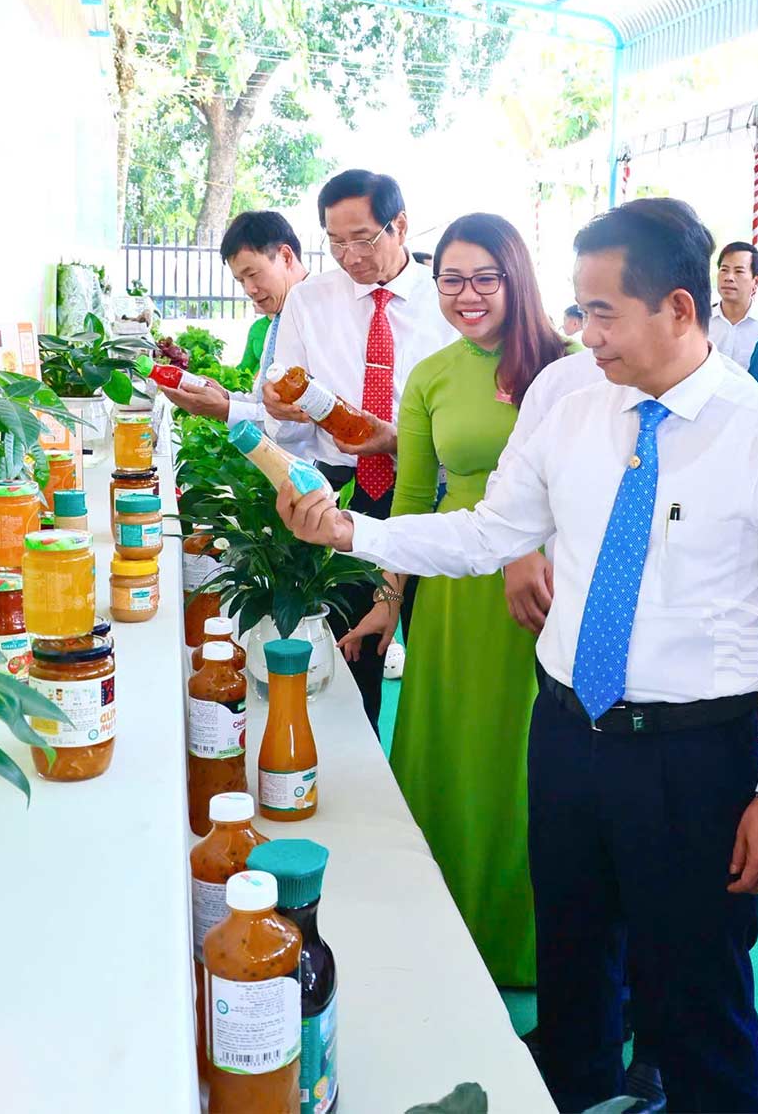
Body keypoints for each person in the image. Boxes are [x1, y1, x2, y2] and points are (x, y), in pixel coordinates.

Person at [277, 197, 758, 1112]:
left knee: (696, 995)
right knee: (575, 971)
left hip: (692, 756)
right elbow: (489, 530)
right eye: (580, 307)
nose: (587, 333)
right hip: (568, 732)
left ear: (681, 310)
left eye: (606, 312)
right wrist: (352, 532)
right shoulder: (570, 400)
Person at [336, 213, 569, 990]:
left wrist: (529, 546)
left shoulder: (568, 370)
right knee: (446, 758)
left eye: (484, 278)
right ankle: (443, 931)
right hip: (452, 596)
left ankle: (529, 945)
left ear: (516, 277)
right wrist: (385, 602)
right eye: (450, 280)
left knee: (520, 766)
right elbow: (407, 500)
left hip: (541, 594)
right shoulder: (430, 376)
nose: (466, 295)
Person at [265, 169, 457, 733]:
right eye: (335, 241)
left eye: (363, 238)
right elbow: (288, 413)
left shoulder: (447, 300)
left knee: (435, 654)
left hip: (432, 496)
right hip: (344, 494)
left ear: (400, 225)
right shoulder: (309, 300)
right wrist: (279, 404)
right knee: (351, 656)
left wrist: (398, 438)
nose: (349, 256)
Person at [156, 210, 316, 460]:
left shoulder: (318, 314)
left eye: (253, 274)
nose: (249, 289)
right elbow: (264, 405)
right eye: (240, 280)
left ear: (285, 256)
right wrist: (225, 396)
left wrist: (225, 409)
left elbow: (301, 420)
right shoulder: (280, 317)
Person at [709, 240, 758, 369]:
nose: (729, 277)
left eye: (739, 271)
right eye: (724, 270)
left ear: (756, 281)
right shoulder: (701, 324)